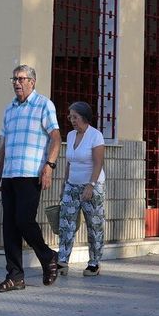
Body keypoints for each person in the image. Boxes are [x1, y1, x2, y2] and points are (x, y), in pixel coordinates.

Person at [0, 64, 61, 292]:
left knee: (24, 220)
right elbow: (5, 144)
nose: (17, 83)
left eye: (21, 79)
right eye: (14, 79)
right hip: (10, 174)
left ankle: (47, 256)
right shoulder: (9, 109)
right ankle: (15, 276)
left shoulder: (43, 105)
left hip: (31, 173)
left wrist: (49, 166)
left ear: (32, 82)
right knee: (9, 226)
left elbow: (56, 137)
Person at [56, 101, 106, 277]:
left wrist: (91, 186)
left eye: (75, 117)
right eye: (70, 117)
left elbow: (98, 163)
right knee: (66, 223)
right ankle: (62, 261)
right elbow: (69, 162)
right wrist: (64, 184)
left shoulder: (95, 135)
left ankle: (94, 263)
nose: (72, 120)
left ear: (84, 117)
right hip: (72, 185)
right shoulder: (70, 135)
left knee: (94, 225)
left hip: (92, 186)